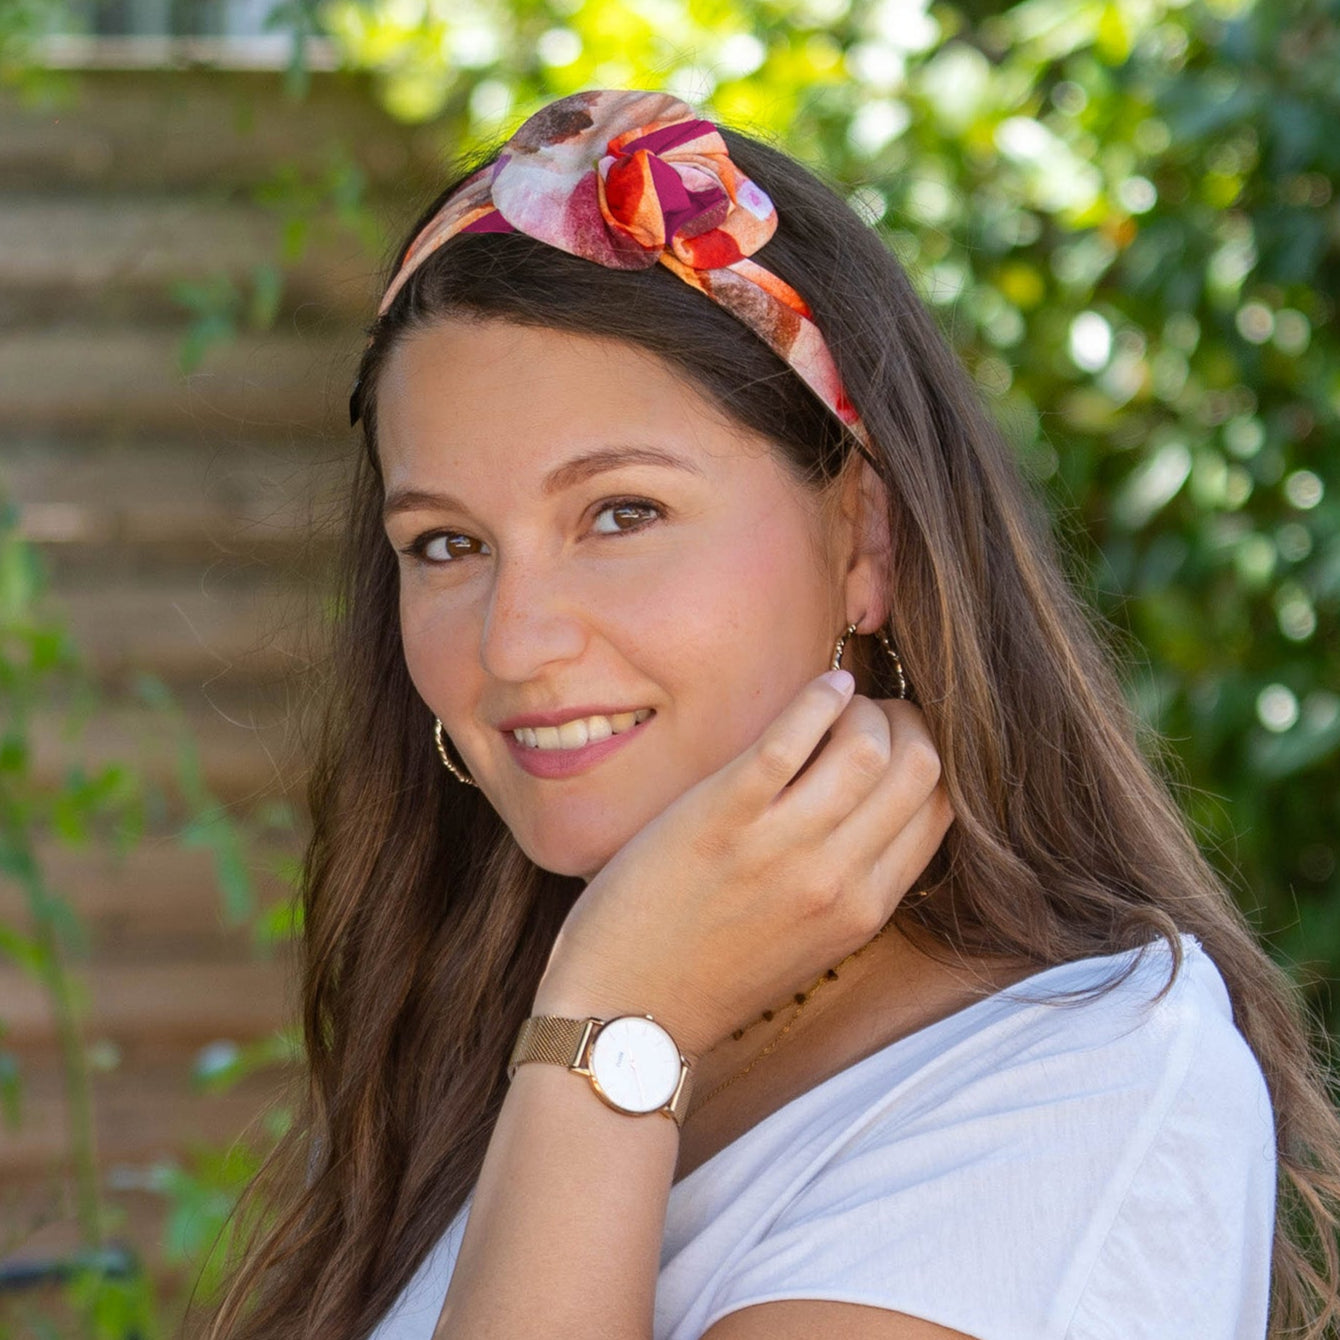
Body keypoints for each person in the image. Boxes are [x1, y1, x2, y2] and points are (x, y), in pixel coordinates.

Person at [199, 89, 1340, 1340]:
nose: (511, 642)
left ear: (864, 538)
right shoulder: (497, 1055)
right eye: (446, 542)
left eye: (621, 513)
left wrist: (612, 1026)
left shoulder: (1080, 1079)